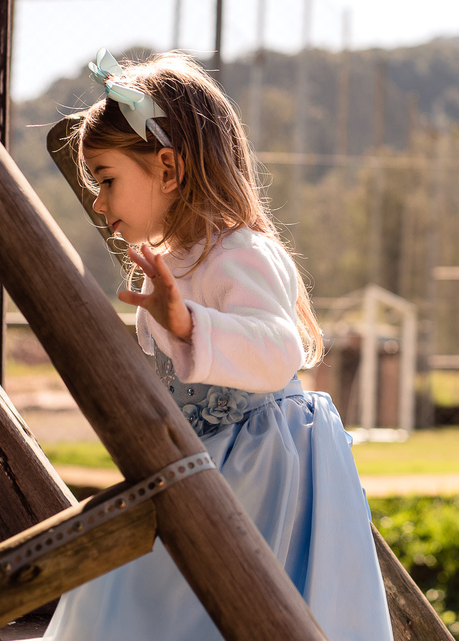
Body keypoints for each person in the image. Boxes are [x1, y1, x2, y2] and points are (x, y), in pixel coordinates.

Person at [42, 49, 393, 641]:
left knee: (226, 603)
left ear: (169, 170)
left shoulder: (242, 253)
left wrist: (188, 325)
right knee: (133, 590)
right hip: (200, 463)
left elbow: (277, 349)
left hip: (259, 469)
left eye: (106, 180)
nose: (99, 205)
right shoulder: (165, 266)